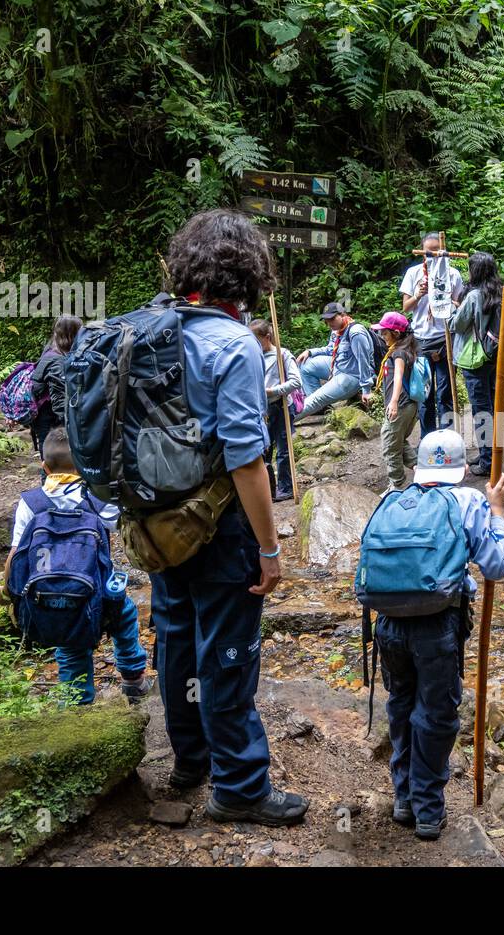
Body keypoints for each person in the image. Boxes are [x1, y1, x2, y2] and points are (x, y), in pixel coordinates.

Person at [153, 208, 307, 826]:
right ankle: (240, 787)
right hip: (217, 523)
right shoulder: (232, 343)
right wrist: (269, 550)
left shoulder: (152, 328)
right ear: (245, 275)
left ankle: (190, 759)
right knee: (228, 651)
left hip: (157, 521)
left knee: (176, 638)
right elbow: (247, 457)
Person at [373, 429, 504, 839]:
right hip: (438, 623)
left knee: (401, 703)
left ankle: (404, 799)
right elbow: (497, 566)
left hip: (390, 622)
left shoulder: (390, 498)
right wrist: (497, 511)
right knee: (435, 713)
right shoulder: (467, 500)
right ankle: (428, 810)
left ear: (418, 466)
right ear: (463, 469)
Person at [0, 427, 151, 705]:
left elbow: (16, 554)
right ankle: (133, 680)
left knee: (69, 647)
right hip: (99, 592)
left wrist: (7, 593)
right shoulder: (96, 496)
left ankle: (77, 706)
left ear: (44, 466)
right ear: (82, 463)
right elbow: (124, 524)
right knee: (124, 618)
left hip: (54, 596)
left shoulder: (30, 503)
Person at [447, 251, 503, 477]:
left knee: (481, 411)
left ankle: (488, 462)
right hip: (492, 356)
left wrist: (453, 308)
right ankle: (488, 453)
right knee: (490, 407)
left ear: (476, 271)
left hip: (473, 359)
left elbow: (457, 325)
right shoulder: (498, 292)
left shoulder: (473, 296)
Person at [400, 232, 462, 433]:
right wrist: (420, 293)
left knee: (446, 392)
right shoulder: (414, 273)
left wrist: (441, 297)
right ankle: (428, 439)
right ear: (423, 253)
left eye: (438, 251)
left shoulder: (452, 274)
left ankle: (447, 438)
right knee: (424, 394)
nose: (433, 256)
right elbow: (406, 307)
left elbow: (460, 306)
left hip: (445, 339)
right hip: (421, 340)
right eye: (429, 252)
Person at [248, 318, 302, 502]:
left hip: (280, 406)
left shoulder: (283, 355)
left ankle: (286, 487)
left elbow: (296, 382)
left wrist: (273, 391)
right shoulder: (252, 356)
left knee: (283, 449)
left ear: (267, 337)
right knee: (264, 450)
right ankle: (267, 489)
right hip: (260, 409)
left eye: (256, 340)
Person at [294, 302, 375, 419]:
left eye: (332, 319)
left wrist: (366, 390)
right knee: (304, 364)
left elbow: (364, 362)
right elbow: (330, 349)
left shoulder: (356, 333)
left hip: (352, 376)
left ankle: (285, 421)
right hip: (339, 366)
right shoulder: (337, 329)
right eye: (326, 320)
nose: (329, 323)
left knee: (316, 398)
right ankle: (320, 409)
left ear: (343, 315)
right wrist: (310, 352)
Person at [373, 311, 420, 491]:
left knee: (389, 446)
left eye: (385, 333)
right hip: (409, 406)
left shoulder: (399, 353)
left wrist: (393, 402)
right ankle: (418, 468)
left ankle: (398, 485)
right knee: (399, 440)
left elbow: (398, 377)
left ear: (396, 333)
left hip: (400, 405)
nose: (382, 336)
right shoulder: (406, 349)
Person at [29, 314, 82, 457]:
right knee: (53, 461)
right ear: (72, 335)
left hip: (44, 417)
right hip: (49, 419)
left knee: (50, 460)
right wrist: (71, 425)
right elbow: (59, 399)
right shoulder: (56, 361)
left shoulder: (52, 350)